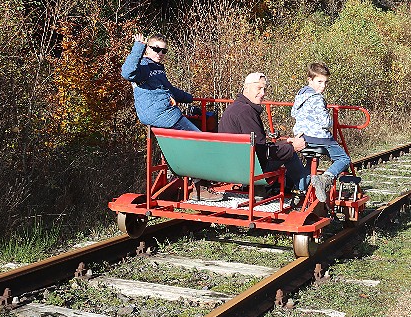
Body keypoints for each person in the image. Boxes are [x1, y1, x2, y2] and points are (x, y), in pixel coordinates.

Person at [121, 33, 222, 201]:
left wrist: (189, 98)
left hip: (163, 114)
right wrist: (138, 46)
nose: (160, 53)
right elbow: (127, 73)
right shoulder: (143, 66)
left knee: (182, 146)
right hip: (164, 115)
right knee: (201, 142)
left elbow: (168, 89)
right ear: (147, 49)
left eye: (163, 51)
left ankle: (178, 176)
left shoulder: (157, 68)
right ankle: (200, 189)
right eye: (156, 49)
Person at [218, 72, 309, 195]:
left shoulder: (234, 108)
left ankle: (287, 187)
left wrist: (284, 142)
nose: (263, 93)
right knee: (290, 153)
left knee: (286, 147)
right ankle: (306, 188)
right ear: (246, 87)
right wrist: (292, 147)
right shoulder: (247, 112)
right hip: (248, 170)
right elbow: (262, 153)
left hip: (231, 166)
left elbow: (258, 147)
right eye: (259, 88)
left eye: (264, 89)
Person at [291, 62, 351, 202]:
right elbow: (325, 122)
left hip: (303, 137)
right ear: (310, 79)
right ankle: (325, 179)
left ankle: (301, 188)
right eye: (319, 81)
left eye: (325, 82)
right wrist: (330, 118)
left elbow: (294, 113)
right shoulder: (317, 98)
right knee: (344, 159)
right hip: (320, 138)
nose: (323, 86)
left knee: (311, 162)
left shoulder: (300, 95)